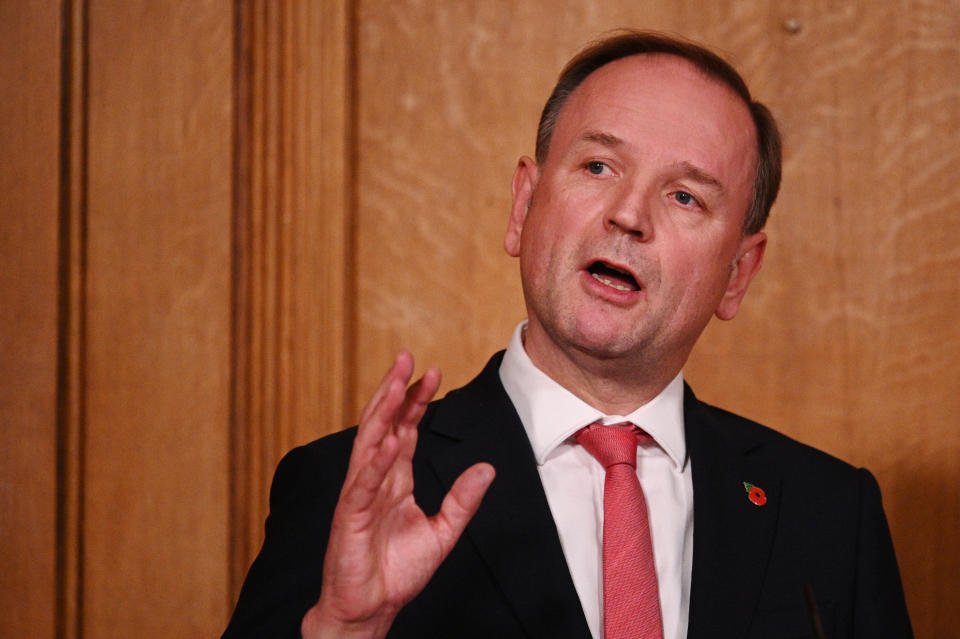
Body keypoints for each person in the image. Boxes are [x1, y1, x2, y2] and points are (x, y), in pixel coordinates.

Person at [222, 31, 912, 639]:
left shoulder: (830, 514)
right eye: (598, 167)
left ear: (738, 271)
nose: (628, 215)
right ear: (524, 204)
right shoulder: (348, 490)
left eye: (684, 197)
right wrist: (344, 631)